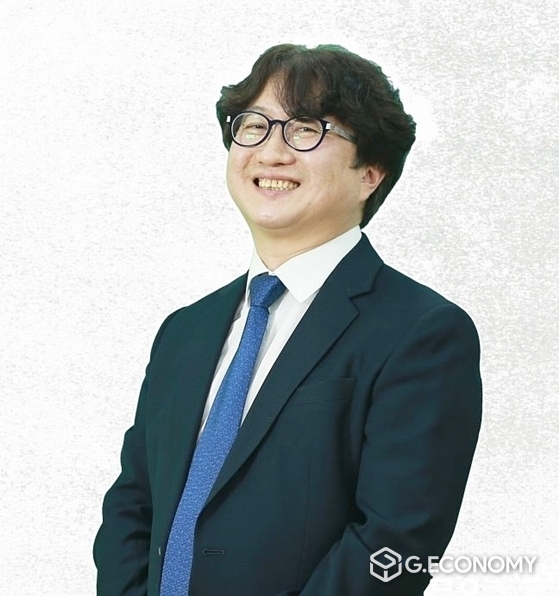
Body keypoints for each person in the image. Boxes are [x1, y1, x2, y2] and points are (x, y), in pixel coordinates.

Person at [94, 43, 482, 596]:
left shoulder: (422, 333)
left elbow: (397, 545)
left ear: (371, 173)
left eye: (306, 130)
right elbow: (133, 504)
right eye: (254, 126)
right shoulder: (184, 330)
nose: (271, 152)